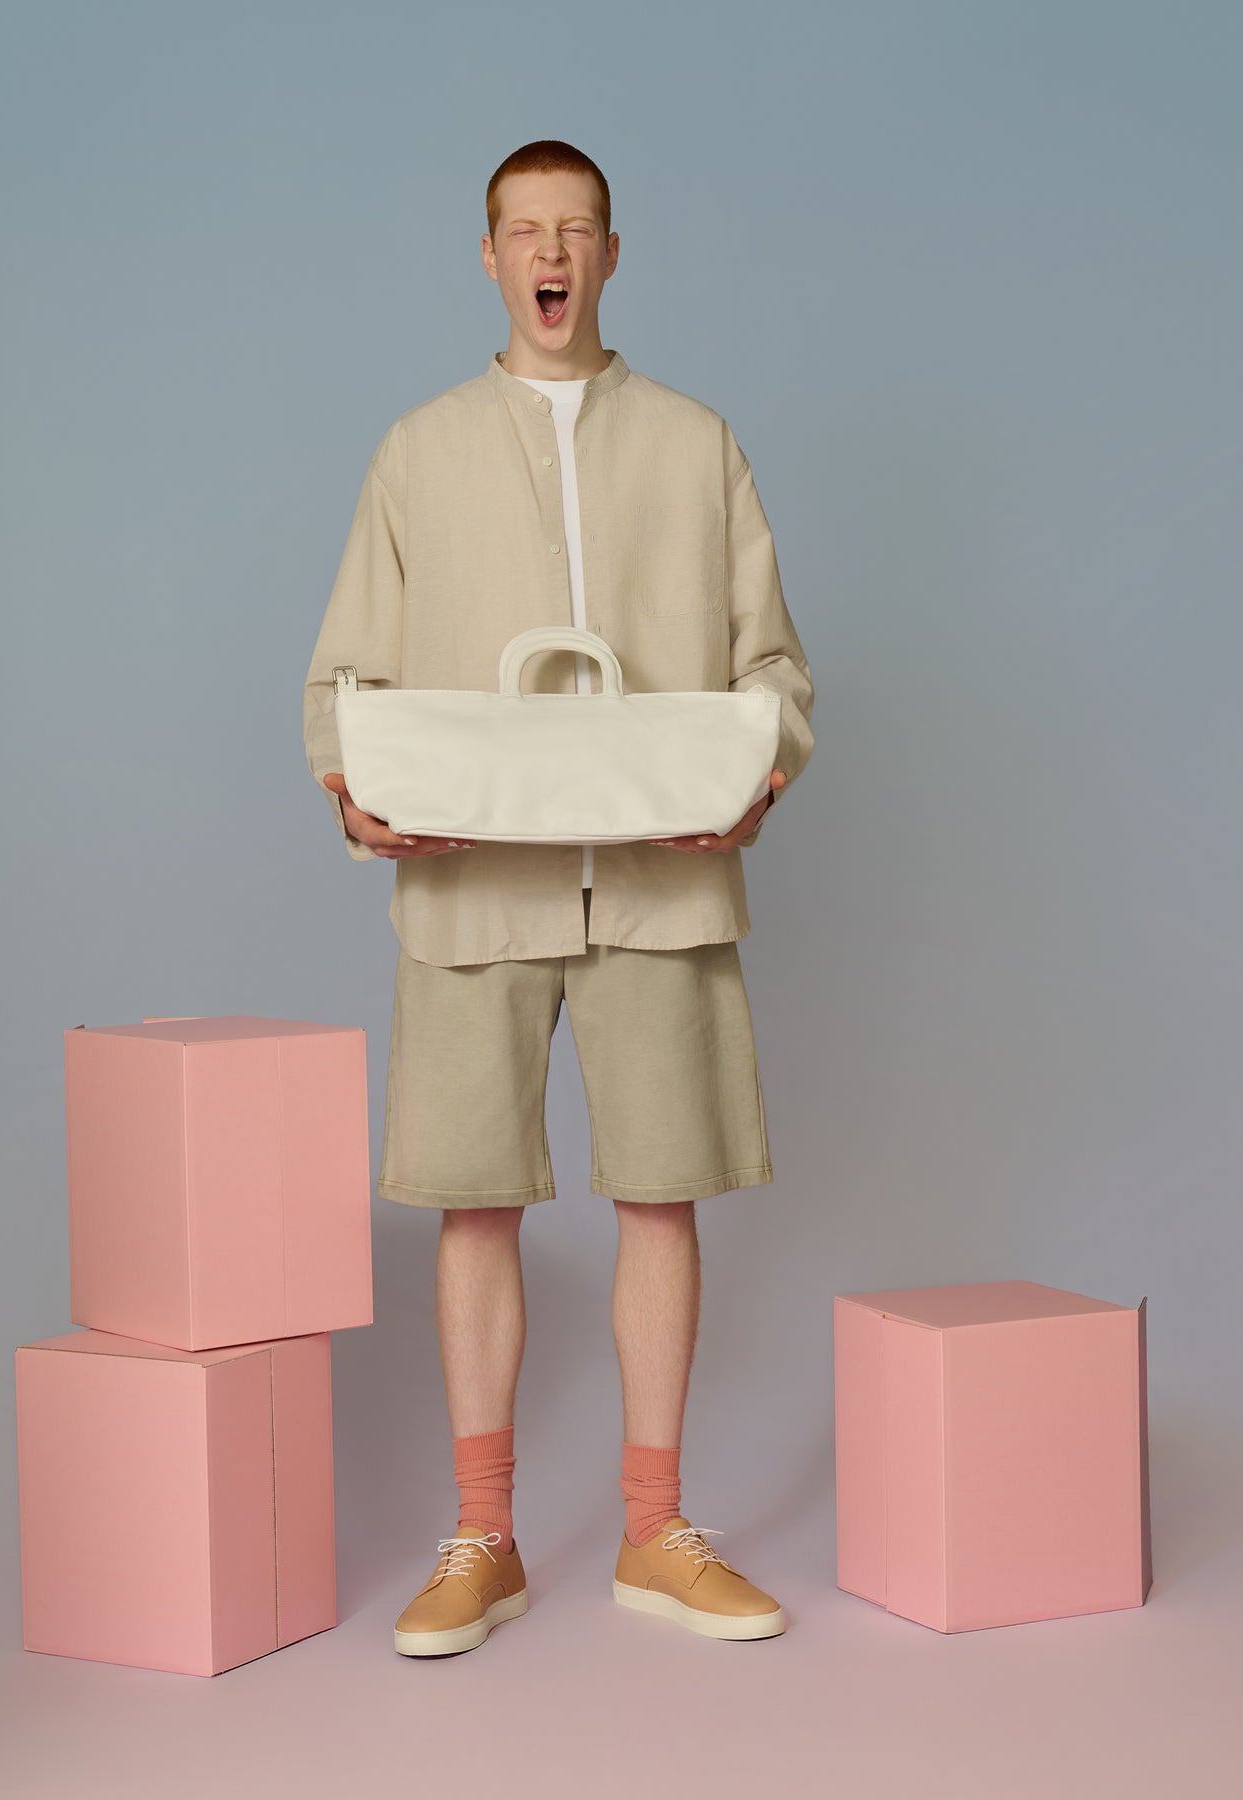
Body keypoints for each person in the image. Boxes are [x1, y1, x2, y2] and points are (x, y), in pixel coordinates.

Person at [302, 140, 815, 1656]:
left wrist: (762, 773)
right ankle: (484, 1536)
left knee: (662, 1191)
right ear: (488, 256)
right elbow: (343, 680)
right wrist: (353, 795)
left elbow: (775, 669)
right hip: (474, 886)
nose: (549, 252)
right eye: (523, 230)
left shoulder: (697, 445)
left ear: (609, 254)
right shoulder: (417, 452)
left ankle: (656, 1530)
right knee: (475, 1200)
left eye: (574, 229)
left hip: (663, 883)